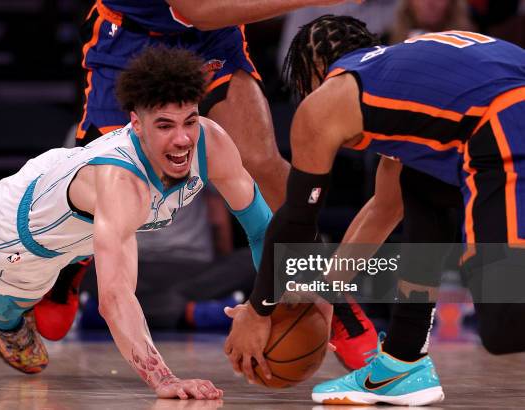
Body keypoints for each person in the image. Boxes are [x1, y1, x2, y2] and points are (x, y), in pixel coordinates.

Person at [36, 0, 379, 372]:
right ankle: (69, 272)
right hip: (131, 37)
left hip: (211, 37)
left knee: (262, 160)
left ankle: (337, 303)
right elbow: (195, 8)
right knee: (99, 191)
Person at [224, 15, 525, 405]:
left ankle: (404, 362)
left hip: (507, 124)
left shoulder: (331, 97)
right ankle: (403, 362)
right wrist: (326, 292)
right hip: (501, 115)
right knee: (424, 190)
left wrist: (259, 308)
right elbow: (384, 208)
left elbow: (297, 219)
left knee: (506, 326)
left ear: (315, 70)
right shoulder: (407, 80)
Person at [0, 46, 274, 399]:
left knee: (65, 307)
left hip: (79, 206)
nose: (182, 139)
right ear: (137, 124)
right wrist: (165, 380)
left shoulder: (212, 142)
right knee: (17, 311)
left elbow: (263, 228)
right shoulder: (122, 182)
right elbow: (114, 298)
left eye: (189, 120)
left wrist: (275, 302)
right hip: (18, 235)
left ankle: (76, 261)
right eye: (165, 125)